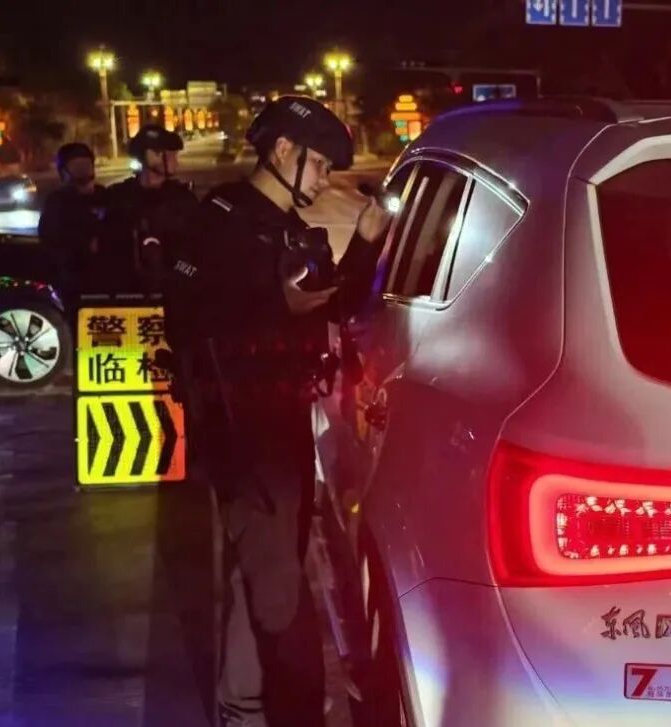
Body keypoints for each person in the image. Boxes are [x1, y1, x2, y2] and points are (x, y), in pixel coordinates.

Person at [163, 96, 392, 727]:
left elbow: (331, 305)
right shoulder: (222, 220)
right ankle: (293, 713)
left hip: (283, 425)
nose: (323, 179)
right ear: (283, 151)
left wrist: (363, 248)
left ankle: (244, 706)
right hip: (245, 435)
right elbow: (192, 310)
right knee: (280, 593)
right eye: (318, 164)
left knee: (264, 575)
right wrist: (277, 298)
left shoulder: (287, 227)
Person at [102, 124, 198, 293]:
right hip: (129, 292)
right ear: (151, 155)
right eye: (171, 155)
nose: (176, 161)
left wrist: (185, 277)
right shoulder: (118, 197)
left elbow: (197, 251)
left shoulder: (183, 198)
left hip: (174, 291)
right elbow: (106, 251)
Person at [37, 142, 106, 305]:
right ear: (63, 172)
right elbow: (51, 241)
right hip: (74, 285)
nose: (83, 172)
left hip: (108, 282)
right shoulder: (57, 202)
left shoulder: (105, 195)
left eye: (86, 165)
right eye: (77, 167)